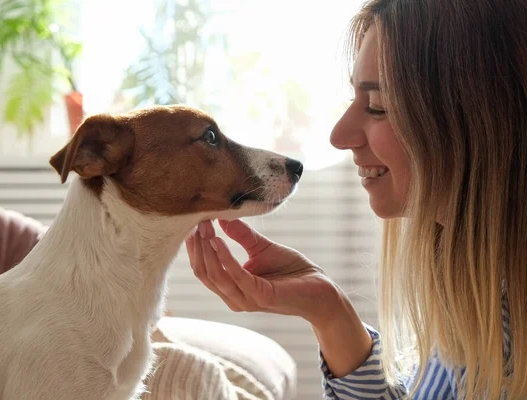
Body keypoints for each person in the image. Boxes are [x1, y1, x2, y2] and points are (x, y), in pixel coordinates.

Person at [185, 0, 527, 398]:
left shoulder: (506, 342)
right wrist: (329, 311)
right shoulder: (479, 301)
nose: (339, 135)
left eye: (378, 107)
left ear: (475, 119)